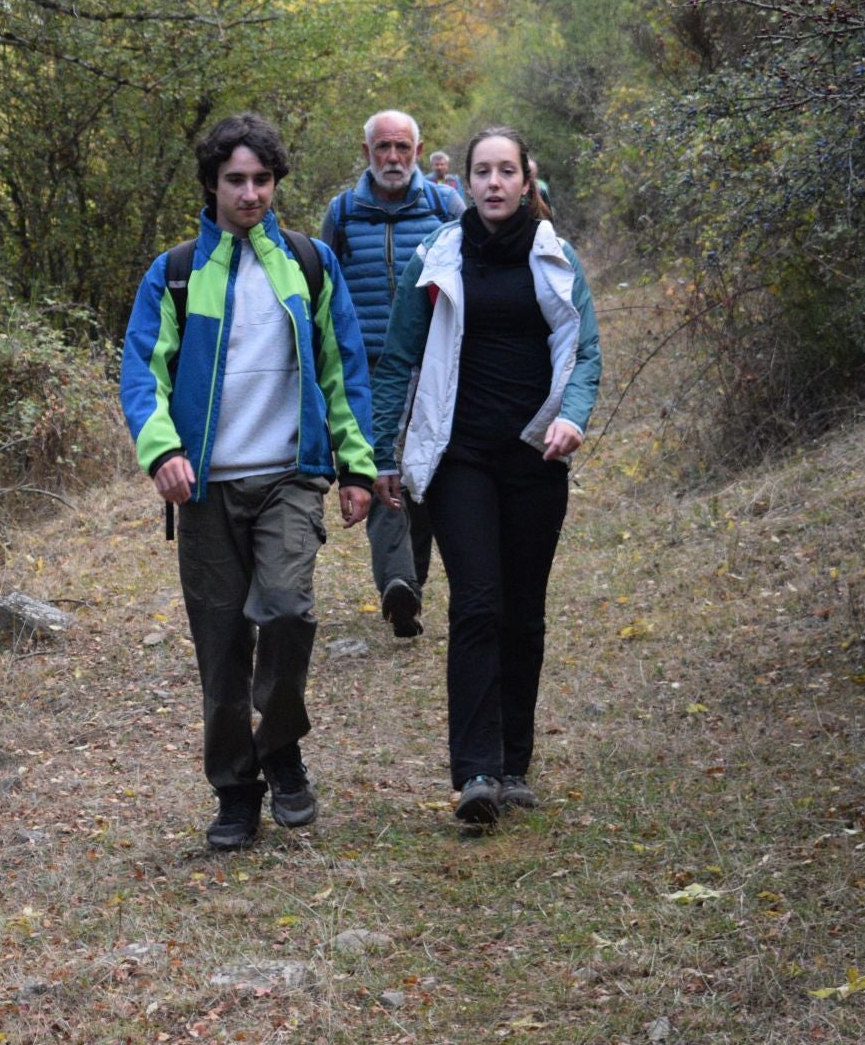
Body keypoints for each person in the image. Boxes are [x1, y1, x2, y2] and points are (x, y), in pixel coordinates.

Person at [121, 112, 376, 851]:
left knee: (290, 611)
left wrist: (355, 464)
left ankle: (281, 744)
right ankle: (237, 791)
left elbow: (342, 369)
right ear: (211, 185)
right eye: (236, 180)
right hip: (203, 492)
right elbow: (142, 370)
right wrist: (161, 450)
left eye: (262, 180)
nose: (251, 193)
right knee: (222, 650)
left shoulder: (308, 263)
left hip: (289, 478)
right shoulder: (173, 272)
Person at [369, 124, 601, 825]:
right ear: (464, 183)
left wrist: (574, 417)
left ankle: (514, 763)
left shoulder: (557, 257)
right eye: (482, 172)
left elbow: (585, 352)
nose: (494, 183)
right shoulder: (436, 256)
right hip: (459, 455)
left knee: (523, 611)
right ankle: (474, 770)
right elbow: (398, 359)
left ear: (527, 181)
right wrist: (383, 453)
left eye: (507, 171)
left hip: (535, 456)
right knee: (476, 604)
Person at [320, 110, 464, 640]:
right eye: (383, 148)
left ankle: (412, 579)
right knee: (380, 469)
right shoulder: (342, 213)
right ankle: (398, 584)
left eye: (403, 147)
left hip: (435, 367)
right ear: (366, 155)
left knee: (425, 476)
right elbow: (325, 292)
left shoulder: (445, 206)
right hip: (368, 372)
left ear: (419, 151)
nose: (393, 158)